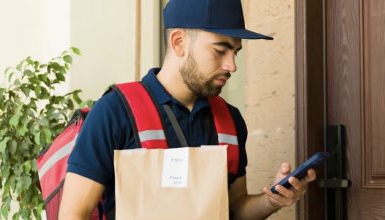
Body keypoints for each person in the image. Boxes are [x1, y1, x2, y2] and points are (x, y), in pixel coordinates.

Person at [59, 0, 316, 219]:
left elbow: (234, 209)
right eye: (220, 50)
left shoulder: (230, 120)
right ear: (179, 42)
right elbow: (73, 213)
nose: (232, 65)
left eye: (235, 52)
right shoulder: (114, 112)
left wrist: (271, 200)